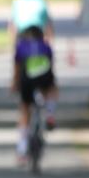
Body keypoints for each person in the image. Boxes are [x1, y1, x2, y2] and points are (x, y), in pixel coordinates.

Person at [12, 22, 59, 162]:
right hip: (44, 77)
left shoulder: (21, 46)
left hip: (27, 79)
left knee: (25, 109)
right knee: (52, 89)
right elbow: (51, 66)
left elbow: (17, 68)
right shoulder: (46, 46)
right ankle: (50, 113)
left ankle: (22, 146)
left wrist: (14, 84)